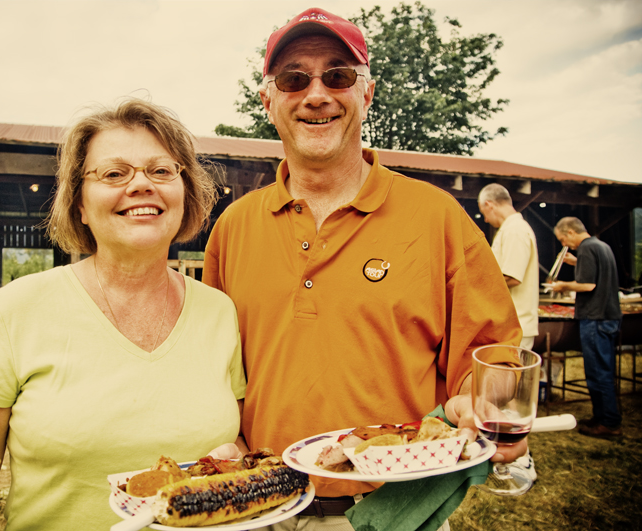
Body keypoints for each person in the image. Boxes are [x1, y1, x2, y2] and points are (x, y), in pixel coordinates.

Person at [204, 7, 524, 528]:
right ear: (268, 101)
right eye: (293, 79)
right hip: (262, 506)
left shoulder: (437, 217)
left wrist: (478, 402)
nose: (316, 94)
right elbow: (215, 369)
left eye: (338, 76)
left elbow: (490, 356)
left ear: (367, 93)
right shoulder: (233, 228)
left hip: (395, 509)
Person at [0, 99, 247, 530]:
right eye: (114, 173)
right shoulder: (19, 307)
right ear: (80, 205)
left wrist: (235, 460)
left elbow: (235, 439)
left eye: (161, 170)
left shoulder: (219, 310)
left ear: (186, 192)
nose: (142, 184)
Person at [477, 183, 542, 481]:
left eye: (483, 212)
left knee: (512, 399)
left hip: (515, 325)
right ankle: (508, 457)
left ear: (490, 205)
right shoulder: (511, 229)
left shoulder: (515, 230)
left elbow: (511, 277)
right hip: (510, 323)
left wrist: (473, 288)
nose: (485, 219)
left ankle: (521, 461)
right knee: (506, 398)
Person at [551, 216, 622, 438]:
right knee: (603, 370)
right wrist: (576, 262)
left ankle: (609, 422)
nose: (564, 244)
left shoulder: (586, 248)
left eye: (563, 239)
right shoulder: (601, 246)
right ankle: (601, 417)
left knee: (598, 373)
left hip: (595, 317)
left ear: (571, 232)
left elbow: (588, 285)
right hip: (608, 316)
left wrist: (562, 286)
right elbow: (598, 274)